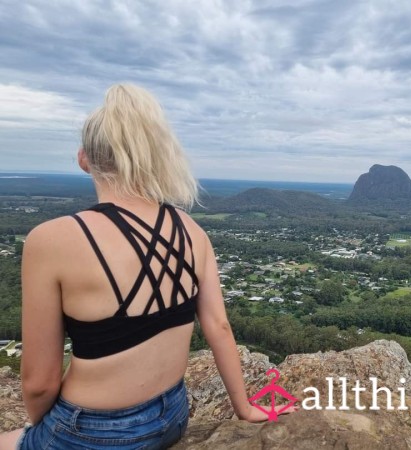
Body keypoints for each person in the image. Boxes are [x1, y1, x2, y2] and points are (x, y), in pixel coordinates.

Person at [0, 84, 295, 449]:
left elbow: (39, 383)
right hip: (172, 416)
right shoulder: (191, 230)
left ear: (83, 158)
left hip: (93, 430)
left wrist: (44, 431)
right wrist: (244, 408)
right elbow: (219, 326)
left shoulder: (53, 240)